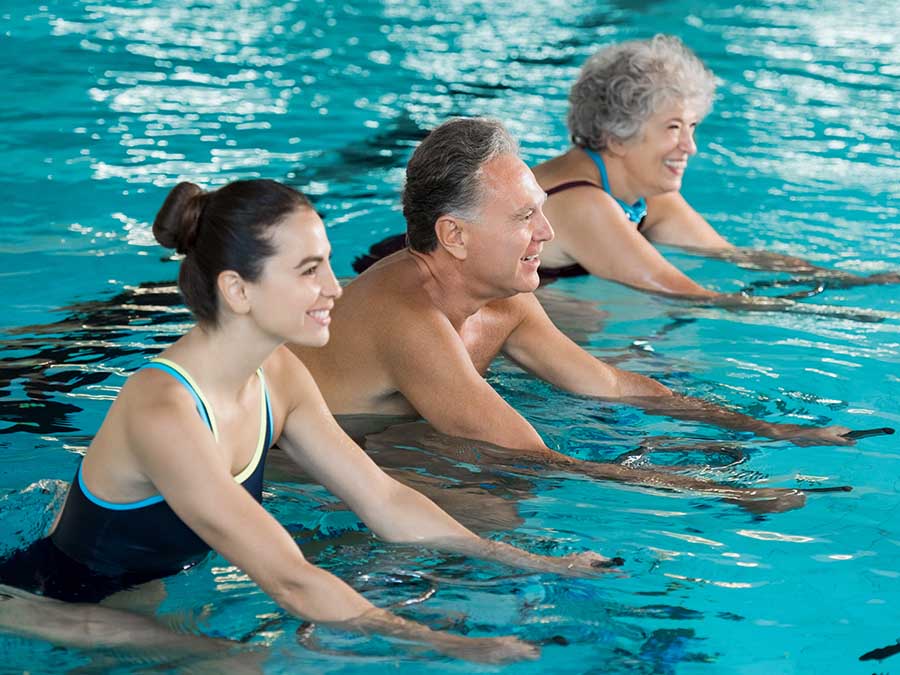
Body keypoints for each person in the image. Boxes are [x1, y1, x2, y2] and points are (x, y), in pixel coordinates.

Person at [0, 179, 630, 665]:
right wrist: (440, 643)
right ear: (239, 290)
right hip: (57, 602)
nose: (336, 287)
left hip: (153, 580)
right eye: (308, 271)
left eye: (328, 263)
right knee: (238, 662)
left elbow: (383, 498)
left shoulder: (278, 375)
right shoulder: (164, 411)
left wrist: (526, 561)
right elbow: (289, 579)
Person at [292, 117, 855, 512]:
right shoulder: (406, 318)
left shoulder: (504, 297)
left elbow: (607, 382)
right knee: (496, 506)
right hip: (295, 470)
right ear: (454, 236)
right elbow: (528, 457)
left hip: (385, 438)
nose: (548, 232)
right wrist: (713, 491)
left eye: (542, 210)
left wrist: (767, 428)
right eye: (524, 217)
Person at [529, 34, 899, 298]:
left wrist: (863, 282)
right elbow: (687, 294)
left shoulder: (641, 190)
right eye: (673, 128)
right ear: (616, 136)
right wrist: (843, 317)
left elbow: (735, 257)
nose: (689, 146)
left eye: (692, 126)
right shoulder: (581, 204)